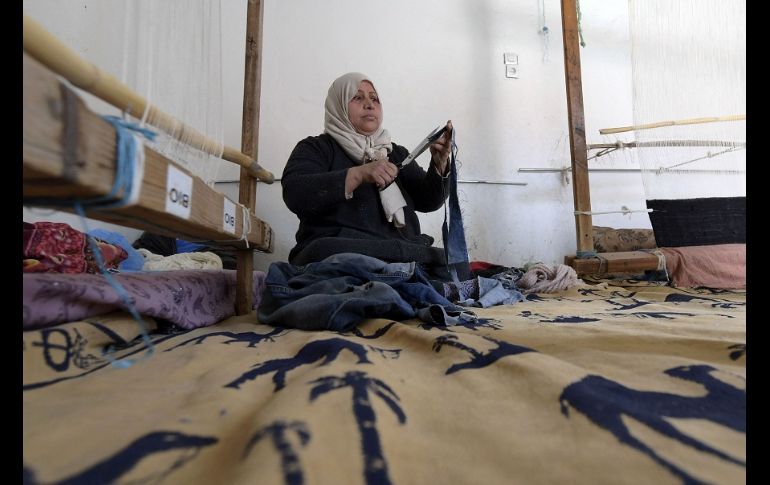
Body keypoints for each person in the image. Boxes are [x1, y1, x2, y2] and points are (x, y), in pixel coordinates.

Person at [281, 72, 467, 281]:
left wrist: (439, 164)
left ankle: (395, 276)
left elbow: (428, 201)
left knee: (456, 263)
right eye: (358, 97)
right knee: (325, 250)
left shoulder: (395, 153)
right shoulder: (316, 148)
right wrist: (358, 174)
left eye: (374, 99)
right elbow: (295, 193)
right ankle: (400, 277)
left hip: (399, 250)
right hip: (343, 247)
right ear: (338, 105)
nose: (369, 105)